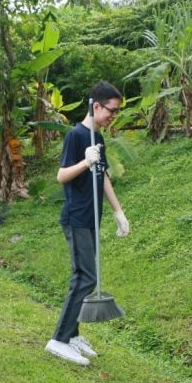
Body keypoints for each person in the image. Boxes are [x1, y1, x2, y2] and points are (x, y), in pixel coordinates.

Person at [45, 81, 130, 366]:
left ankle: (72, 334)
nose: (113, 116)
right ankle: (59, 339)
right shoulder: (76, 136)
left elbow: (103, 176)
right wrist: (84, 162)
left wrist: (119, 212)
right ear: (96, 106)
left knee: (82, 275)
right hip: (77, 217)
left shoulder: (100, 139)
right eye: (112, 111)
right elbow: (61, 176)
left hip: (93, 217)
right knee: (86, 278)